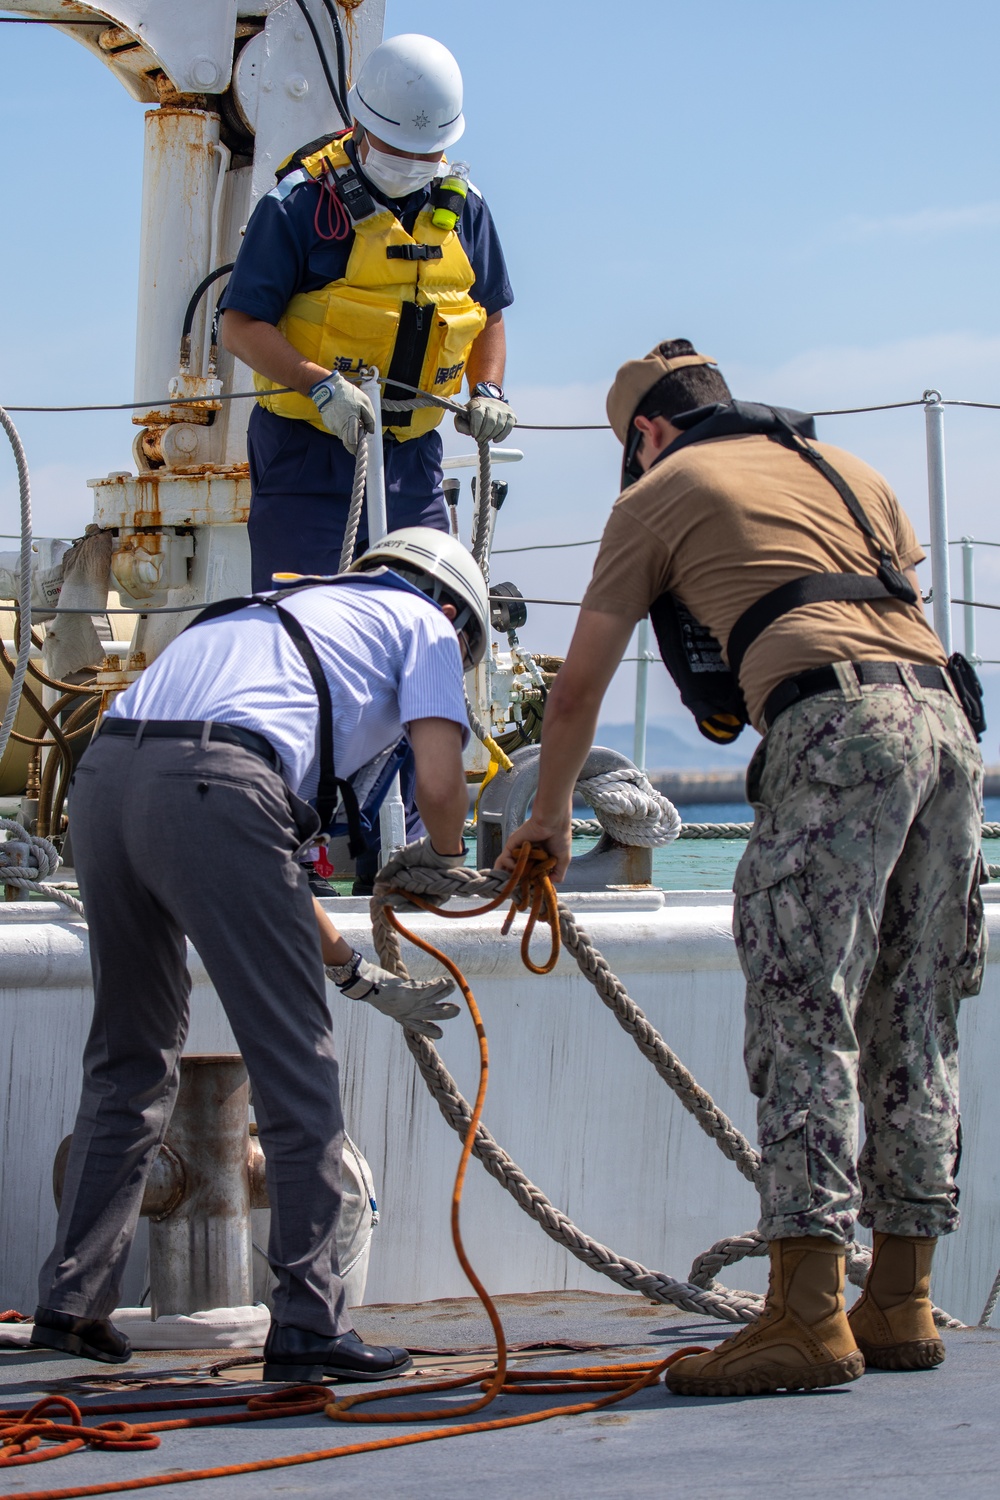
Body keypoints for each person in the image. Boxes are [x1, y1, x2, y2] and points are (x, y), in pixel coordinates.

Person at [499, 339, 986, 1397]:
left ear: (645, 434)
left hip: (835, 726)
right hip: (948, 729)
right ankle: (897, 1301)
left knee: (801, 1003)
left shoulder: (661, 490)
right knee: (915, 1012)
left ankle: (806, 1314)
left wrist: (543, 818)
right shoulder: (855, 474)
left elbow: (576, 690)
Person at [32, 528, 489, 1385]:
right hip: (217, 790)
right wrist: (446, 857)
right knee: (296, 1066)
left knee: (130, 1053)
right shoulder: (426, 623)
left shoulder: (269, 612)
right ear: (457, 614)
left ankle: (71, 1303)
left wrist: (353, 970)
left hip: (107, 783)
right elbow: (438, 781)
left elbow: (247, 837)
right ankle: (312, 1322)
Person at [219, 32, 516, 593]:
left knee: (420, 616)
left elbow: (489, 315)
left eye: (427, 152)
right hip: (306, 451)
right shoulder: (300, 204)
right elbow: (240, 324)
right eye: (398, 149)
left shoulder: (467, 210)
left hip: (413, 457)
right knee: (305, 621)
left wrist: (489, 392)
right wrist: (319, 386)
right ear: (361, 127)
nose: (412, 163)